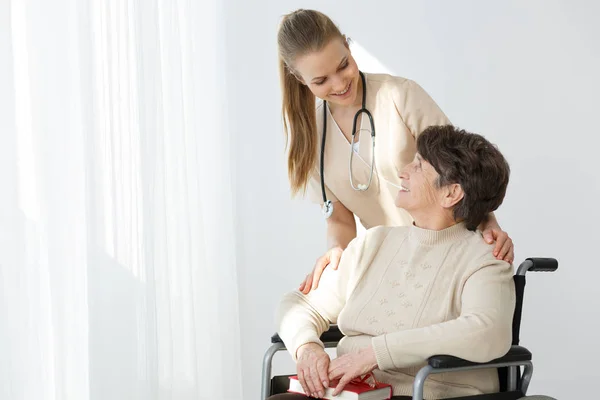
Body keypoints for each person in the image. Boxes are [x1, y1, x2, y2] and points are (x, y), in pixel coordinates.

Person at [276, 9, 515, 294]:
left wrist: (489, 224)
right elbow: (339, 219)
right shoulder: (312, 137)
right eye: (321, 80)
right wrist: (337, 253)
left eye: (343, 65)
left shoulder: (400, 96)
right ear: (299, 78)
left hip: (453, 255)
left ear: (348, 45)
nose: (339, 84)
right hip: (395, 271)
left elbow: (465, 168)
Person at [268, 125, 516, 399]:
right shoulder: (373, 243)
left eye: (420, 165)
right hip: (351, 391)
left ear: (451, 193)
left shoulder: (486, 258)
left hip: (431, 391)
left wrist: (377, 353)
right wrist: (307, 348)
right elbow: (298, 304)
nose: (403, 171)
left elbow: (487, 330)